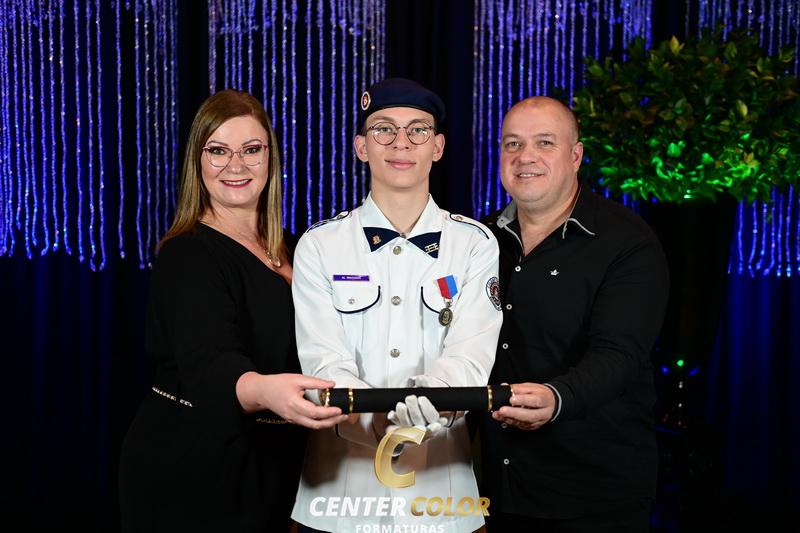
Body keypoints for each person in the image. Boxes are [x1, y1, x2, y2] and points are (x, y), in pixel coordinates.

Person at [118, 89, 348, 532]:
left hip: (275, 462)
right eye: (218, 151)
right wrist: (265, 390)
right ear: (198, 161)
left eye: (251, 149)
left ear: (270, 157)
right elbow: (209, 363)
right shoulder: (188, 254)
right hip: (195, 468)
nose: (236, 165)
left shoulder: (298, 249)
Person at [290, 78, 503, 533]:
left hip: (443, 498)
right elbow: (323, 362)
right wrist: (380, 426)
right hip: (337, 497)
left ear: (438, 147)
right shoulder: (319, 245)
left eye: (418, 130)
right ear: (361, 147)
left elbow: (470, 357)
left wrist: (421, 418)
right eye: (383, 129)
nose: (401, 142)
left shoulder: (475, 244)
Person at [476, 96, 669, 532]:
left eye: (545, 142)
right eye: (512, 144)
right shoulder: (479, 241)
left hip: (592, 492)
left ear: (575, 156)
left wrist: (557, 397)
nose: (525, 156)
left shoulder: (627, 242)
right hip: (493, 489)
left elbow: (620, 354)